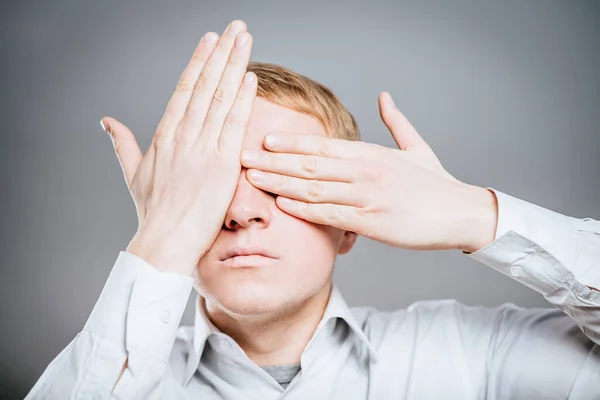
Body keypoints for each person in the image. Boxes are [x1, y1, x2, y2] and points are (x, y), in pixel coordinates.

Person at [26, 20, 600, 399]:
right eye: (212, 185)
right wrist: (162, 242)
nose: (242, 212)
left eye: (280, 181)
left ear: (350, 224)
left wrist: (477, 215)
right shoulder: (111, 376)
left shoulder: (470, 355)